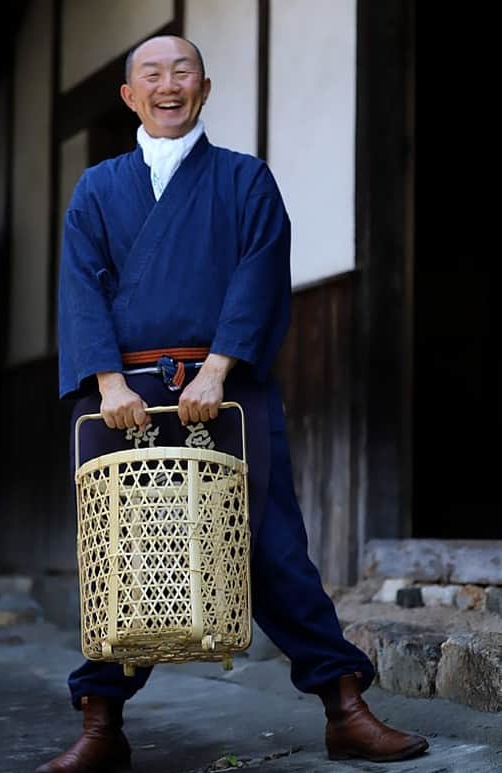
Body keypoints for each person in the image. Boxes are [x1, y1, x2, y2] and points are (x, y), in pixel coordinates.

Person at [36, 35, 429, 773]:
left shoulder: (246, 182)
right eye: (151, 74)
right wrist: (108, 383)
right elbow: (81, 289)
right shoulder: (97, 188)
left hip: (224, 393)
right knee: (118, 555)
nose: (168, 84)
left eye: (182, 71)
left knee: (272, 547)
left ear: (205, 88)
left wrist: (218, 369)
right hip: (125, 397)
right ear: (130, 96)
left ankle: (345, 707)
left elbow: (259, 275)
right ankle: (100, 723)